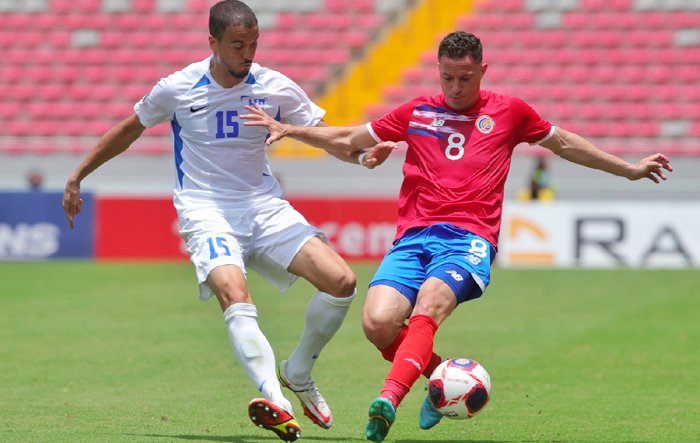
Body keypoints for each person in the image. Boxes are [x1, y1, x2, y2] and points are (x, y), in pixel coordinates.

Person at [241, 31, 673, 442]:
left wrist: (629, 168)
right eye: (447, 77)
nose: (455, 86)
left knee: (429, 302)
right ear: (438, 69)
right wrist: (292, 130)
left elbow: (566, 145)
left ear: (483, 70)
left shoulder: (511, 112)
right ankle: (441, 383)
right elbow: (351, 136)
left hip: (468, 238)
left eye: (465, 78)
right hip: (413, 237)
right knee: (377, 323)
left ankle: (388, 399)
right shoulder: (415, 112)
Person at [61, 1, 391, 442]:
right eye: (238, 45)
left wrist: (364, 156)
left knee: (342, 282)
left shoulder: (275, 86)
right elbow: (129, 129)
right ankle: (276, 398)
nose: (248, 53)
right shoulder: (177, 88)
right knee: (235, 294)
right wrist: (78, 174)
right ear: (213, 42)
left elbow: (327, 137)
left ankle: (297, 369)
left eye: (254, 44)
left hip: (264, 206)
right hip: (205, 210)